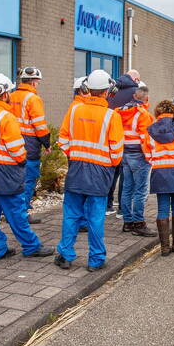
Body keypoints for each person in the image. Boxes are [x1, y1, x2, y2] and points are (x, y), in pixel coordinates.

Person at [0, 74, 52, 260]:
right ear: (4, 93)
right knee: (15, 211)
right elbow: (16, 148)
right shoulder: (6, 117)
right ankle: (31, 246)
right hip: (6, 171)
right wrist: (22, 161)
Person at [55, 69, 125, 271]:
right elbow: (116, 151)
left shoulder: (75, 110)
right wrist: (107, 164)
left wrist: (76, 155)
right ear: (107, 91)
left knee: (71, 215)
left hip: (76, 168)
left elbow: (63, 141)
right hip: (100, 172)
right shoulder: (112, 116)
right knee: (95, 218)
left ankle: (66, 256)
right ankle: (95, 259)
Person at [144, 99, 174, 256]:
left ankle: (164, 247)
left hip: (160, 172)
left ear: (157, 112)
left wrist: (157, 162)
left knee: (162, 208)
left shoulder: (150, 130)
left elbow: (147, 153)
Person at [8, 66, 51, 223]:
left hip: (13, 141)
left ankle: (13, 210)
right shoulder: (33, 99)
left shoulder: (11, 96)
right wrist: (47, 143)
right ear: (33, 83)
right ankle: (22, 213)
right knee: (29, 178)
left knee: (16, 177)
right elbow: (39, 125)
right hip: (29, 143)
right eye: (37, 83)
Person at [116, 85, 155, 237]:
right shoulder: (142, 114)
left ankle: (128, 222)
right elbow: (145, 138)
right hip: (139, 155)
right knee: (140, 191)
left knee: (127, 189)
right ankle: (139, 223)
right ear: (146, 98)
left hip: (125, 153)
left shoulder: (119, 111)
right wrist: (149, 157)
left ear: (134, 96)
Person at [106, 70, 139, 215]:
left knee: (112, 172)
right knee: (125, 176)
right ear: (135, 79)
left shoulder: (111, 90)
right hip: (127, 138)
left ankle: (107, 206)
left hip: (109, 134)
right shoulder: (135, 91)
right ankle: (122, 209)